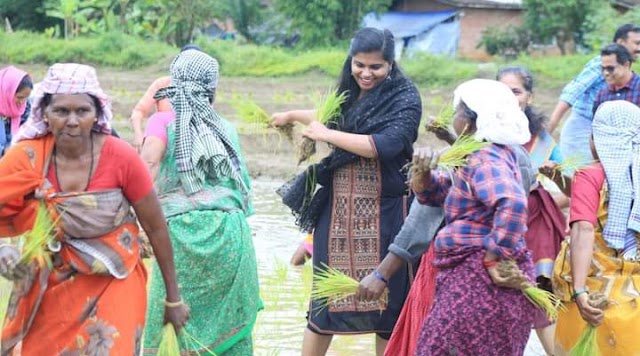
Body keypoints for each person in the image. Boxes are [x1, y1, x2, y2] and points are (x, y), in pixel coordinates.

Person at [0, 63, 188, 354]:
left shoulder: (121, 157)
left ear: (97, 113)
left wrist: (173, 299)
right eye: (61, 111)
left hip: (116, 276)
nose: (72, 121)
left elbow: (155, 226)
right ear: (45, 114)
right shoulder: (28, 157)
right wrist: (3, 250)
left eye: (82, 111)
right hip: (52, 279)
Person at [272, 27, 422, 356]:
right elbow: (336, 117)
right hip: (339, 212)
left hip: (387, 214)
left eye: (375, 67)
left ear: (391, 65)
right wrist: (292, 116)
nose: (366, 74)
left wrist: (326, 134)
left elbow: (382, 145)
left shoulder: (406, 98)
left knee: (389, 306)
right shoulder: (350, 90)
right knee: (324, 301)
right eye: (359, 65)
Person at [141, 49, 261, 355]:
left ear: (175, 82)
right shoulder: (225, 128)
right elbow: (242, 188)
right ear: (213, 89)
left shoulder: (162, 122)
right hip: (230, 236)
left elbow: (147, 169)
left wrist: (134, 222)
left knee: (171, 322)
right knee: (227, 330)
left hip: (178, 240)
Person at [411, 79, 536, 355]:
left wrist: (495, 256)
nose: (453, 118)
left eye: (457, 112)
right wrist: (422, 173)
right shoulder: (487, 154)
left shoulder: (485, 157)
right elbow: (442, 195)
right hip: (476, 277)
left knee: (438, 347)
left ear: (468, 122)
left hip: (478, 279)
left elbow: (513, 203)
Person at [552, 100, 640, 355]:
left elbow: (583, 229)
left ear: (596, 140)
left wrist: (579, 290)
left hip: (595, 291)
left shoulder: (590, 175)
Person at [497, 66, 570, 355]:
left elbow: (572, 190)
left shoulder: (540, 140)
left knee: (540, 299)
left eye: (515, 91)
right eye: (502, 92)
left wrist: (554, 175)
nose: (509, 98)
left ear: (529, 96)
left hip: (533, 223)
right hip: (494, 225)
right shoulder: (480, 134)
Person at [548, 24, 640, 163]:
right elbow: (572, 92)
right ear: (621, 42)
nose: (639, 48)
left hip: (609, 135)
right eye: (637, 43)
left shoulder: (630, 78)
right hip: (582, 130)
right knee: (580, 178)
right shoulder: (601, 64)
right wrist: (548, 129)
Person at [130, 44, 202, 151]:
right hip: (162, 140)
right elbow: (138, 112)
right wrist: (138, 135)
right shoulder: (163, 84)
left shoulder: (203, 88)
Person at [593, 43, 640, 112]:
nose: (606, 73)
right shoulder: (602, 94)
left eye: (610, 68)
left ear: (626, 65)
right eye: (603, 68)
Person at [0, 66, 33, 156]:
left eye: (26, 98)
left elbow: (26, 131)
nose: (22, 102)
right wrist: (3, 151)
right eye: (20, 97)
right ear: (7, 92)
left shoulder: (25, 107)